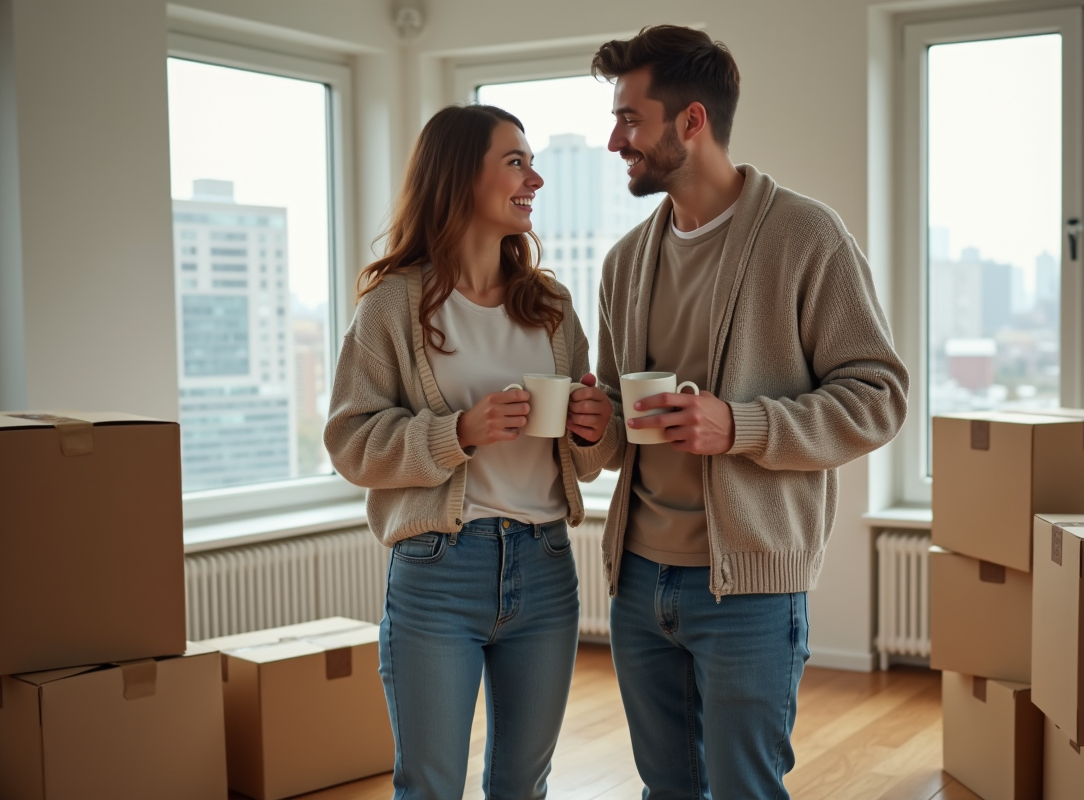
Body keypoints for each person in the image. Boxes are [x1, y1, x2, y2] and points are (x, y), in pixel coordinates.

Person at [569, 25, 911, 799]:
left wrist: (742, 426)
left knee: (745, 790)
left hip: (750, 589)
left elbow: (879, 395)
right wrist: (597, 423)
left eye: (630, 118)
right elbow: (626, 434)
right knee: (668, 790)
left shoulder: (805, 235)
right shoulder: (626, 259)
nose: (614, 139)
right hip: (638, 581)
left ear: (692, 121)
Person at [323, 104, 613, 800]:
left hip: (545, 569)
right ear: (459, 178)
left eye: (531, 160)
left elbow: (592, 460)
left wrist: (591, 426)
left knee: (523, 785)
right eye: (516, 161)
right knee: (429, 786)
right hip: (437, 573)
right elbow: (351, 441)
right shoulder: (393, 305)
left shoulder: (550, 306)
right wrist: (458, 433)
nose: (535, 178)